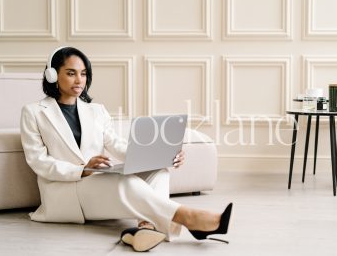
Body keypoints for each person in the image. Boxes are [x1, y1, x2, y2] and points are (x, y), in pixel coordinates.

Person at [20, 46, 232, 252]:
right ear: (52, 75)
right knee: (125, 182)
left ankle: (145, 228)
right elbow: (38, 161)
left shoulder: (96, 111)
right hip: (65, 191)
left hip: (96, 185)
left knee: (159, 171)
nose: (79, 80)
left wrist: (161, 155)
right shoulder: (34, 112)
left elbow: (116, 143)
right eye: (71, 73)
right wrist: (83, 169)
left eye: (83, 74)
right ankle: (189, 218)